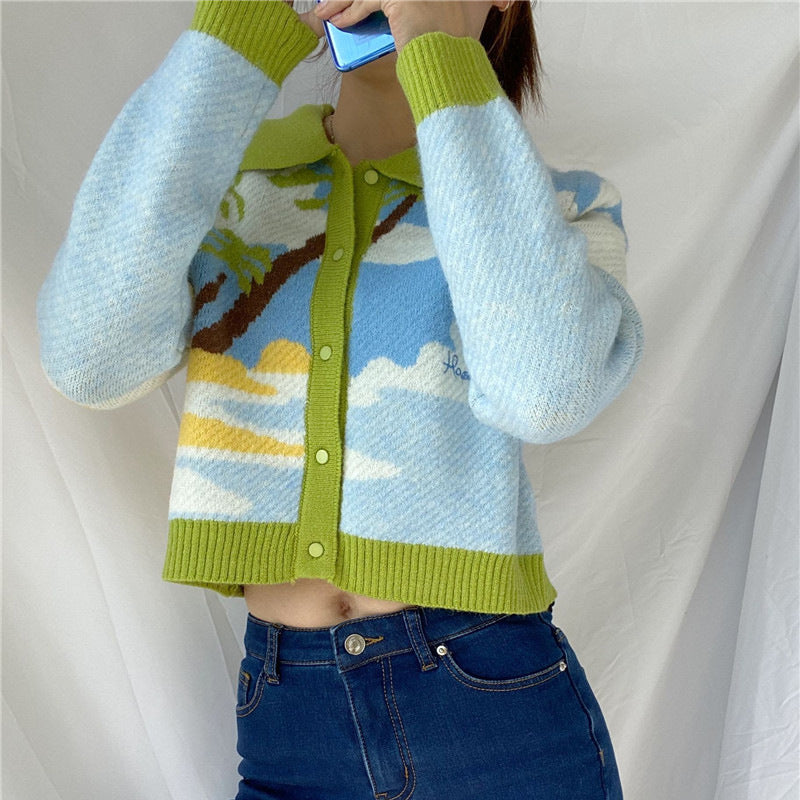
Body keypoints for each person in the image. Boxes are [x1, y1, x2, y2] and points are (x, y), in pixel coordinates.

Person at [36, 0, 644, 797]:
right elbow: (90, 362)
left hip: (494, 712)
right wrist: (241, 26)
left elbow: (546, 395)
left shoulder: (555, 209)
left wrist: (440, 52)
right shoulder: (225, 181)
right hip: (287, 716)